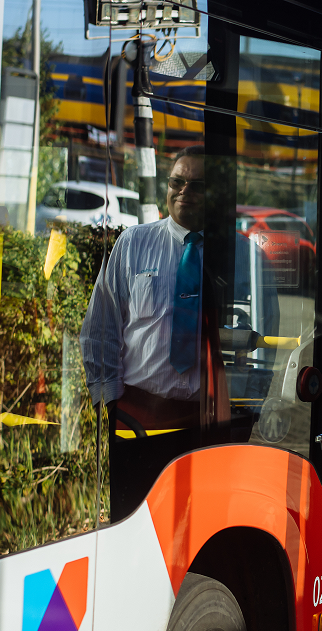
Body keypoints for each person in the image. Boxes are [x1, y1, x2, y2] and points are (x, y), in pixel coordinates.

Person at [80, 146, 248, 520]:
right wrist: (110, 404)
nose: (184, 191)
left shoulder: (241, 254)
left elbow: (260, 339)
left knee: (196, 532)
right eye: (177, 181)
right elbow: (100, 328)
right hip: (139, 422)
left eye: (197, 185)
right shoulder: (133, 243)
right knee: (133, 527)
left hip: (209, 426)